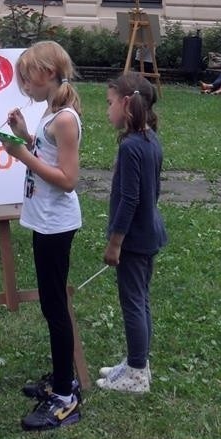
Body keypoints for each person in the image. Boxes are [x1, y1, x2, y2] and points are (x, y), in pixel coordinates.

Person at [1, 41, 83, 431]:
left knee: (55, 309)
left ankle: (66, 397)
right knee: (51, 306)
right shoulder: (51, 112)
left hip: (57, 224)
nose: (23, 86)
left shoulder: (65, 118)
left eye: (27, 78)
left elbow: (67, 180)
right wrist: (25, 137)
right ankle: (63, 378)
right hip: (44, 220)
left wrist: (22, 156)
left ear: (48, 73)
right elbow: (47, 157)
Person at [97, 72, 167, 395]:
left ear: (126, 103)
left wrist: (115, 243)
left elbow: (130, 200)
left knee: (133, 302)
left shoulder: (130, 147)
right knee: (142, 300)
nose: (107, 109)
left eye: (110, 103)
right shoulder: (150, 138)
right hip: (149, 234)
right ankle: (139, 361)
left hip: (134, 241)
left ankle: (137, 374)